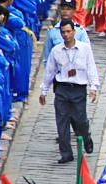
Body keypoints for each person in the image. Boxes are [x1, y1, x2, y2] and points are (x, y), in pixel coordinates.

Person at [40, 19, 100, 164]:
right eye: (63, 32)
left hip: (78, 89)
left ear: (74, 32)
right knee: (62, 121)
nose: (66, 35)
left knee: (80, 120)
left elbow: (91, 67)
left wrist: (93, 87)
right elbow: (50, 71)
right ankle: (66, 152)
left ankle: (86, 137)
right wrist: (44, 90)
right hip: (62, 88)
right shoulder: (57, 51)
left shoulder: (84, 49)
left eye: (68, 31)